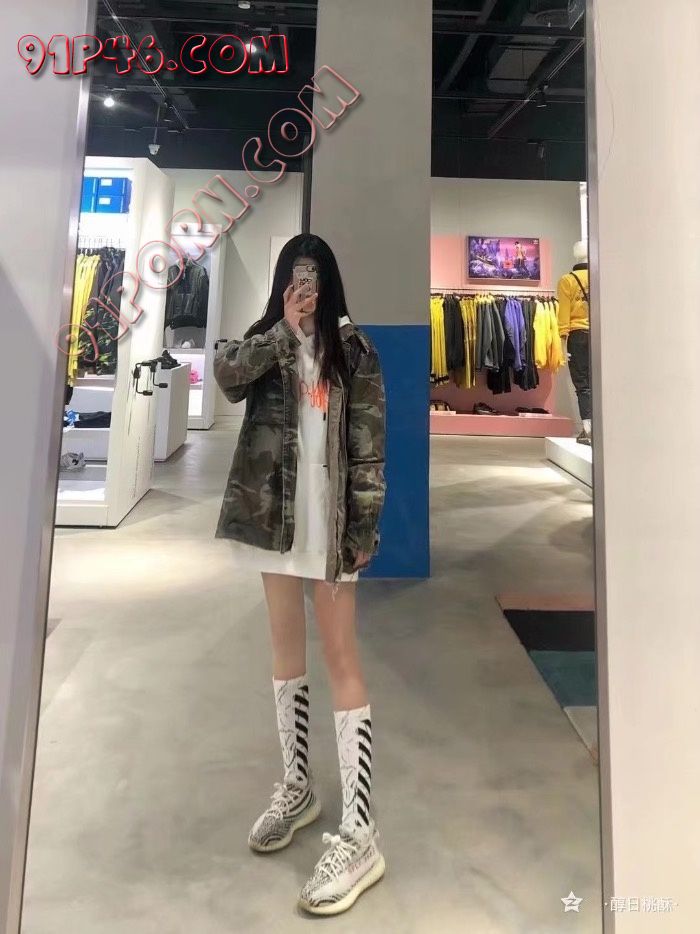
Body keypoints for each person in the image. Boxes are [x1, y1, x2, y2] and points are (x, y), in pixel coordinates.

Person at [213, 233, 387, 915]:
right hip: (274, 521)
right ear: (284, 281)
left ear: (329, 282)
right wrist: (281, 331)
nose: (304, 289)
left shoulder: (356, 351)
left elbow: (369, 451)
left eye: (313, 278)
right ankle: (297, 787)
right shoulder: (267, 342)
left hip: (329, 524)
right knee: (285, 650)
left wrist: (364, 529)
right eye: (295, 276)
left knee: (341, 655)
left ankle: (362, 834)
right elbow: (227, 376)